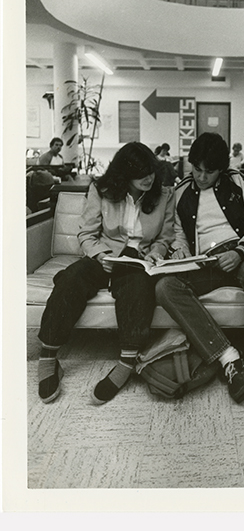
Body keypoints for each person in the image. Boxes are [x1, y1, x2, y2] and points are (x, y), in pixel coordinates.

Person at [37, 142, 175, 404]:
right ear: (124, 174)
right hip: (104, 254)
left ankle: (126, 361)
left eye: (151, 172)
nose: (148, 178)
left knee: (138, 289)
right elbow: (87, 234)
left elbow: (165, 238)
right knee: (70, 278)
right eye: (141, 174)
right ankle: (48, 357)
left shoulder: (165, 194)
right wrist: (101, 255)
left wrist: (156, 252)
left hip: (139, 260)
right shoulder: (101, 190)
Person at [155, 132, 244, 403]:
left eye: (208, 172)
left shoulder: (239, 182)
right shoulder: (182, 191)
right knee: (165, 287)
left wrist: (241, 250)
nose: (200, 177)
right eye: (196, 169)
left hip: (243, 252)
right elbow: (176, 232)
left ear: (221, 169)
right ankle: (228, 357)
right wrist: (181, 251)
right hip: (204, 261)